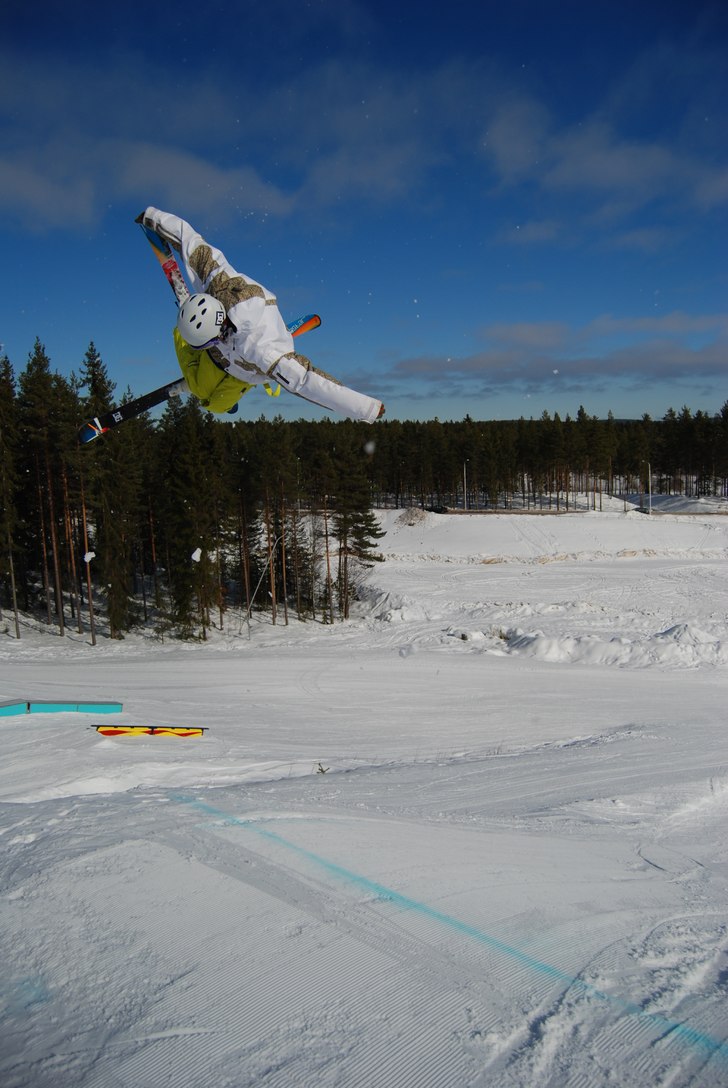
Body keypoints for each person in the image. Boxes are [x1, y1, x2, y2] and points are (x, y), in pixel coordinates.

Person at [138, 207, 385, 423]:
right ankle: (195, 361)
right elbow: (189, 239)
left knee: (212, 403)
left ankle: (205, 389)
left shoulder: (260, 349)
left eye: (209, 342)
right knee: (200, 375)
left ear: (221, 327)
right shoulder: (215, 278)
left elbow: (305, 381)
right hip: (229, 350)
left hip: (242, 370)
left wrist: (366, 408)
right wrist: (153, 217)